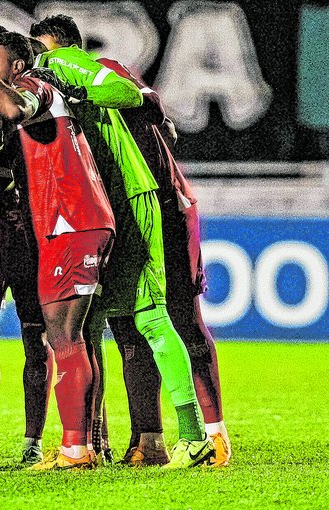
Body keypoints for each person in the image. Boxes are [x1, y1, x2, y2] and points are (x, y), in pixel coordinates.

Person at [31, 14, 214, 468]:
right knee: (87, 326)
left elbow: (125, 92)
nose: (39, 62)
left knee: (150, 317)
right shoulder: (51, 77)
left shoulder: (65, 62)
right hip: (98, 205)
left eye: (42, 50)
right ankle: (88, 442)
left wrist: (72, 82)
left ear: (56, 45)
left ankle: (194, 436)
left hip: (129, 200)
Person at [0, 31, 115, 469]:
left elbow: (13, 106)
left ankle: (76, 448)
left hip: (71, 221)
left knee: (64, 337)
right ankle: (84, 442)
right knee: (72, 337)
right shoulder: (41, 96)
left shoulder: (35, 88)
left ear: (15, 67)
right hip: (71, 222)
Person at [95, 57, 231, 466]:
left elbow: (152, 105)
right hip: (123, 217)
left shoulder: (101, 75)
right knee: (128, 329)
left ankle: (212, 435)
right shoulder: (74, 94)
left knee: (182, 320)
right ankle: (147, 438)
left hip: (166, 211)